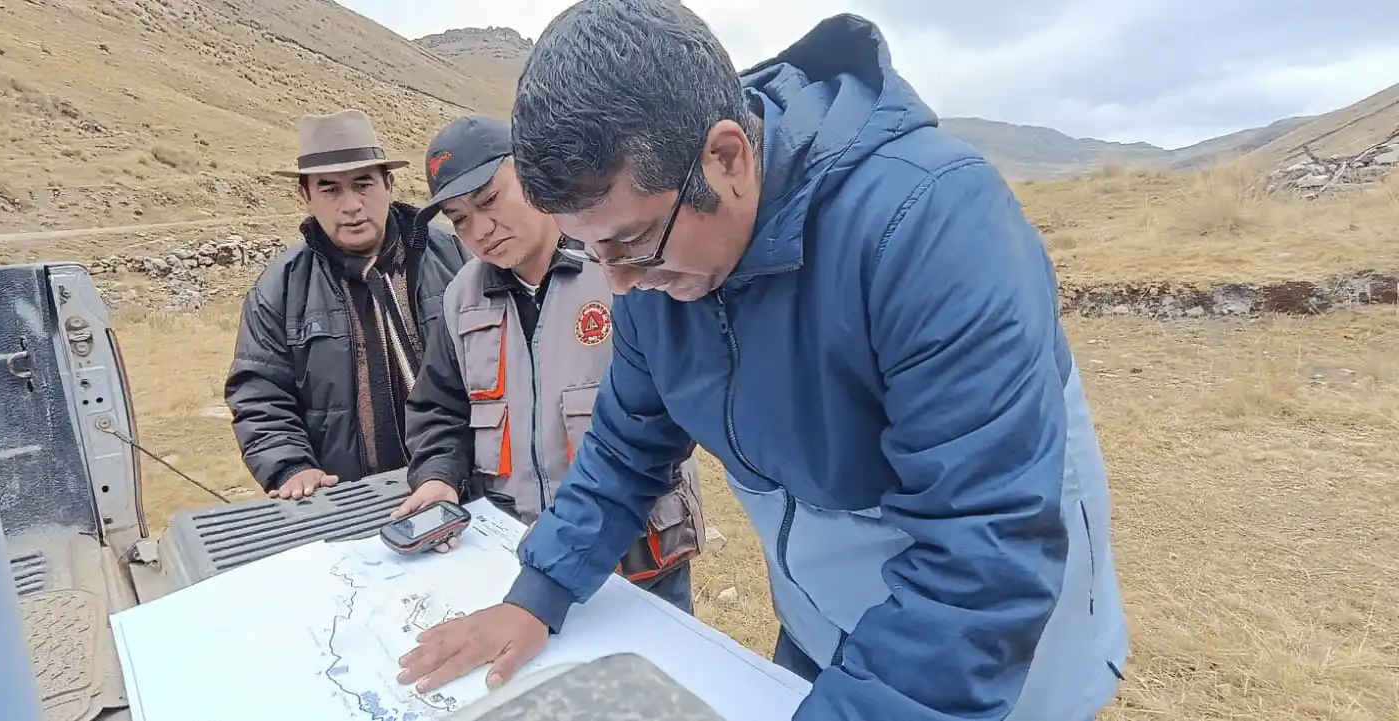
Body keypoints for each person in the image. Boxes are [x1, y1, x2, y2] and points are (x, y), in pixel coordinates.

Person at [394, 3, 1129, 720]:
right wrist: (539, 591)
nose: (616, 282)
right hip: (822, 618)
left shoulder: (932, 227)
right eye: (591, 249)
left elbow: (982, 549)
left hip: (990, 659)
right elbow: (625, 445)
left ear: (727, 157)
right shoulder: (659, 263)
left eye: (631, 242)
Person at [396, 114, 706, 614]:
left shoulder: (621, 267)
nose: (479, 231)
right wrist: (438, 478)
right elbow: (439, 411)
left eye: (489, 201)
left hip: (637, 555)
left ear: (533, 174)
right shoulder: (461, 298)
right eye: (458, 219)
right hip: (516, 552)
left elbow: (676, 415)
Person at [225, 110, 469, 500]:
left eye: (363, 184)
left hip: (462, 484)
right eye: (330, 189)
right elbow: (260, 393)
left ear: (388, 184)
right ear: (305, 196)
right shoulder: (280, 289)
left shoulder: (457, 260)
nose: (351, 204)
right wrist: (291, 466)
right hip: (349, 500)